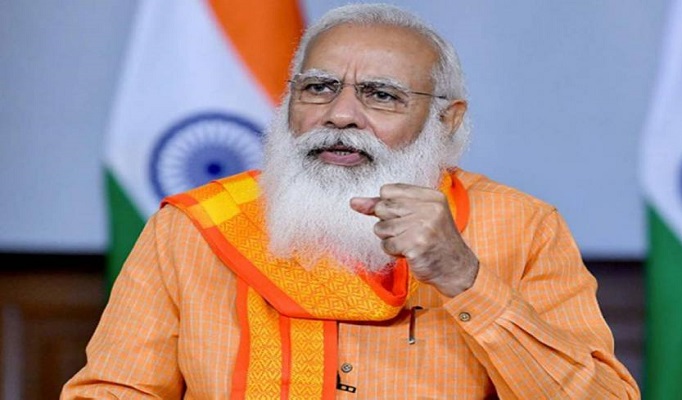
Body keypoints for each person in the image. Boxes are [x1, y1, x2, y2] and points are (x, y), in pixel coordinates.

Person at [62, 3, 640, 399]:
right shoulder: (194, 226)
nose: (340, 115)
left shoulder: (523, 226)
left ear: (446, 120)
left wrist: (466, 279)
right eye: (318, 87)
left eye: (380, 95)